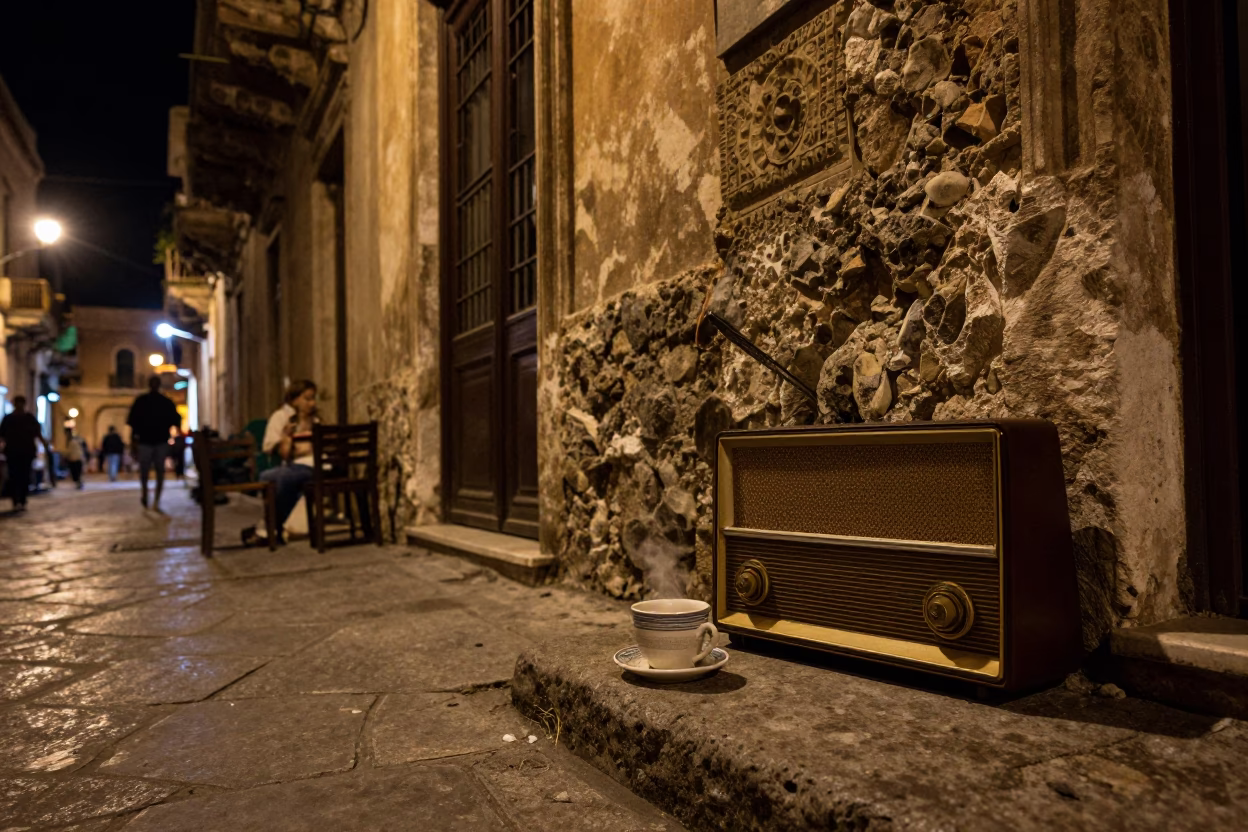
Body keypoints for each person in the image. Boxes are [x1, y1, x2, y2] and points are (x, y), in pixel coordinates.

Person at [242, 379, 319, 546]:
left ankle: (267, 528)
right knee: (273, 477)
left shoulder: (315, 420)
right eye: (307, 399)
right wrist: (287, 438)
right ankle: (270, 527)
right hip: (293, 464)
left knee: (282, 479)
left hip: (311, 465)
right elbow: (275, 448)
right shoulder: (282, 417)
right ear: (295, 399)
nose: (312, 403)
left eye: (313, 398)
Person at [126, 376, 181, 511]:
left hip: (151, 441)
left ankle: (151, 497)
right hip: (155, 441)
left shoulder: (142, 401)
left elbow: (133, 424)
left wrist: (133, 441)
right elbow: (176, 420)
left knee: (150, 471)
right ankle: (152, 497)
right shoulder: (165, 402)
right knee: (155, 471)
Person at [0, 396, 52, 511]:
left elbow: (38, 433)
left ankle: (21, 500)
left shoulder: (27, 418)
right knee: (16, 476)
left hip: (24, 452)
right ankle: (17, 500)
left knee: (23, 476)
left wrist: (45, 445)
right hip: (15, 452)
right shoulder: (10, 419)